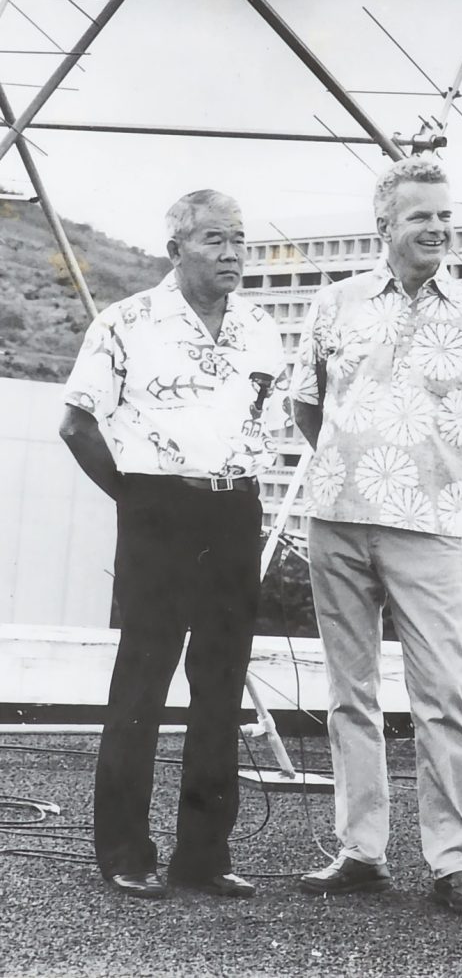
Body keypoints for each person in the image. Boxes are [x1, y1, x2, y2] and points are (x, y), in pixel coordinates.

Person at [290, 156, 462, 914]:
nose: (438, 228)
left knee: (442, 694)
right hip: (339, 519)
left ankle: (454, 861)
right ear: (384, 224)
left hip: (428, 523)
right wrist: (357, 459)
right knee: (349, 694)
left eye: (446, 215)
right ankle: (360, 850)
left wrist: (427, 463)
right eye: (421, 215)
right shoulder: (334, 302)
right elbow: (308, 405)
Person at [59, 190, 287, 901]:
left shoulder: (260, 328)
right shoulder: (126, 322)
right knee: (143, 683)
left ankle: (204, 855)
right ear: (177, 249)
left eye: (240, 239)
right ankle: (126, 850)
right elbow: (76, 424)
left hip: (234, 510)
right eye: (215, 238)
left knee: (220, 686)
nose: (232, 253)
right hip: (157, 506)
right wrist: (135, 498)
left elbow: (266, 423)